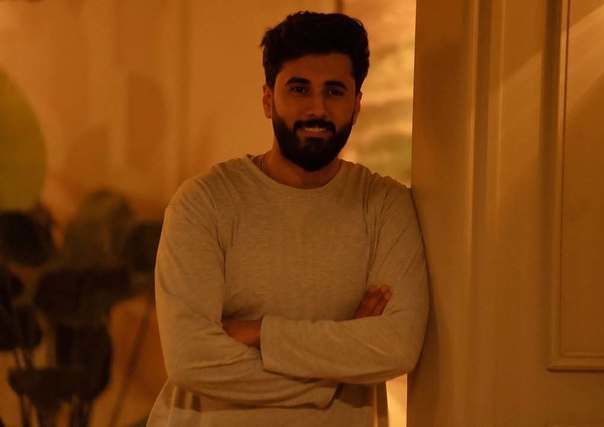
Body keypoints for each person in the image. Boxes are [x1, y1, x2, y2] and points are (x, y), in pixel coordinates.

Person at [147, 11, 429, 427]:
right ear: (268, 99)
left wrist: (260, 332)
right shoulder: (204, 203)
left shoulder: (386, 206)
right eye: (299, 89)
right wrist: (337, 372)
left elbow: (397, 347)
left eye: (334, 91)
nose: (317, 108)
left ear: (356, 104)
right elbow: (191, 359)